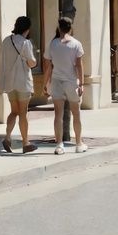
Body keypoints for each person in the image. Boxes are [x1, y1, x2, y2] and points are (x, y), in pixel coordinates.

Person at [43, 16, 86, 154]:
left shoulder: (53, 44)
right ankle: (79, 143)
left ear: (59, 28)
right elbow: (79, 65)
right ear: (70, 28)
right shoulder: (76, 44)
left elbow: (48, 65)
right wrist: (82, 83)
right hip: (71, 81)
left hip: (56, 81)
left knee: (58, 115)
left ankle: (59, 145)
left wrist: (44, 84)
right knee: (76, 113)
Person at [0, 16, 38, 153]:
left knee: (13, 111)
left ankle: (7, 137)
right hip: (22, 81)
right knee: (23, 113)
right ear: (27, 29)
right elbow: (32, 62)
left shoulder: (6, 41)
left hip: (9, 81)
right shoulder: (26, 43)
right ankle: (26, 143)